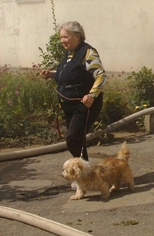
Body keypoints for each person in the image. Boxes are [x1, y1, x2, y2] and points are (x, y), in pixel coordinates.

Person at [40, 21, 106, 160]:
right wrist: (52, 74)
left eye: (66, 37)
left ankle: (84, 173)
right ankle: (85, 175)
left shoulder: (87, 53)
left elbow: (100, 76)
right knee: (77, 141)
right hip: (69, 106)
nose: (62, 41)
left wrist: (91, 95)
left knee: (73, 139)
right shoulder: (69, 53)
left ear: (77, 36)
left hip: (84, 105)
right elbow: (72, 73)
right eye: (61, 37)